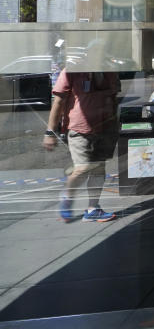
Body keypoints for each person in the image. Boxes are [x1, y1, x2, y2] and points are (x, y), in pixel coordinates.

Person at [42, 71, 120, 222]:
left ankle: (93, 209)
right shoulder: (71, 70)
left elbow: (113, 98)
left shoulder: (109, 70)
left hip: (104, 128)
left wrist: (114, 123)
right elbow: (58, 102)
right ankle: (67, 195)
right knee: (83, 168)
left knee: (99, 168)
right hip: (79, 129)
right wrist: (50, 132)